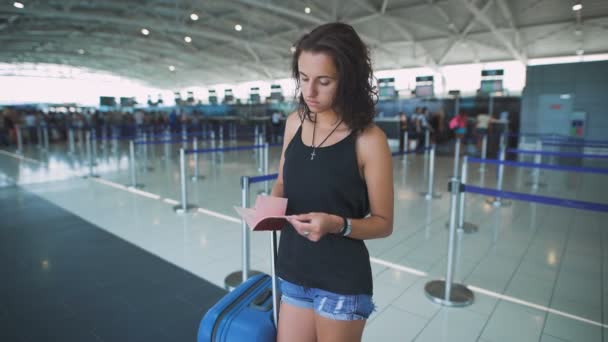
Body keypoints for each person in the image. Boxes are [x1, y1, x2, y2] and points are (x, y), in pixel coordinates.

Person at [270, 23, 394, 342]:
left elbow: (383, 223)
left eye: (324, 82)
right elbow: (283, 183)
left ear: (348, 81)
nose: (309, 92)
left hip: (341, 281)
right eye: (304, 78)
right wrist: (267, 211)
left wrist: (337, 224)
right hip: (294, 271)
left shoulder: (368, 139)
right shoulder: (294, 123)